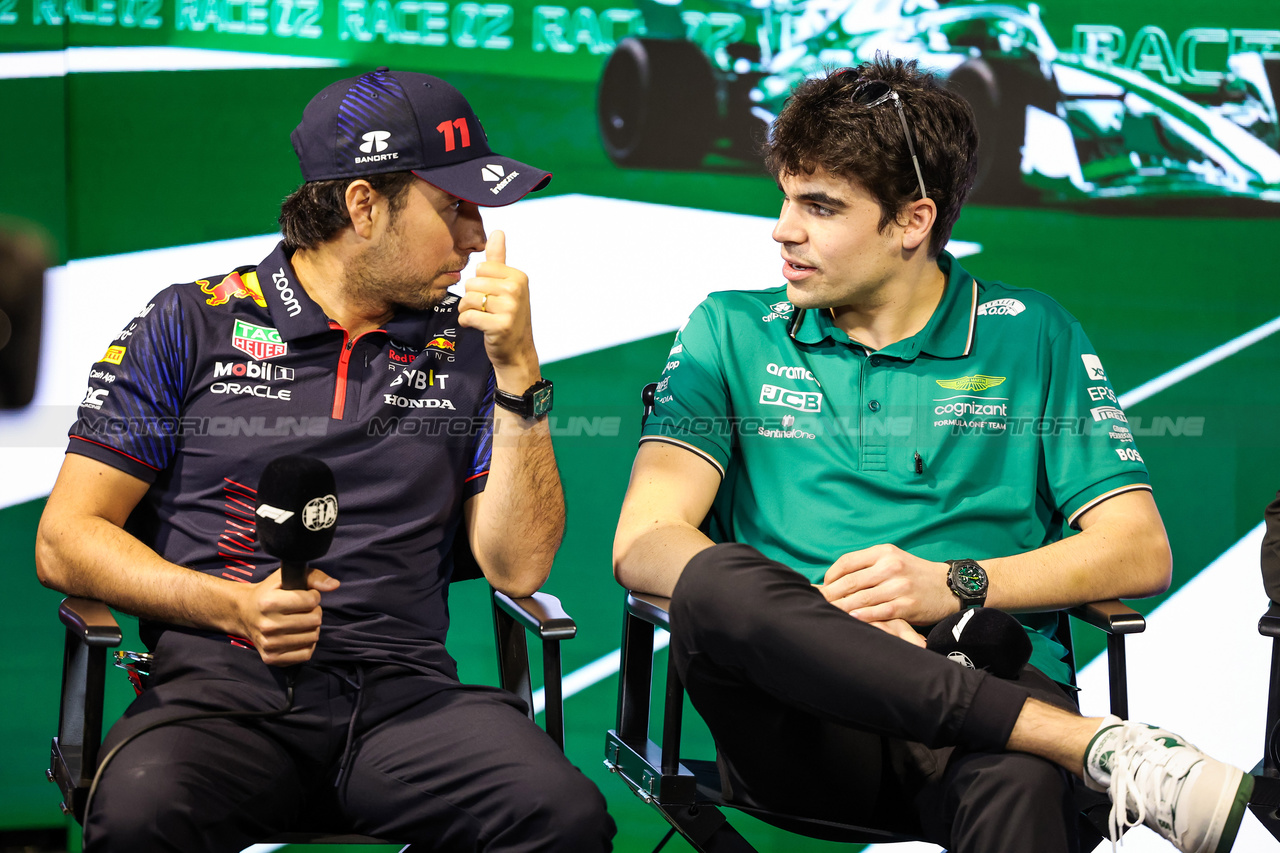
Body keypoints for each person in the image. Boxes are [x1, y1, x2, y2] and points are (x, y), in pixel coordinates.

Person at [612, 57, 1252, 853]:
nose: (783, 228)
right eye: (785, 197)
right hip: (799, 719)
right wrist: (825, 619)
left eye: (820, 206)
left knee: (1021, 792)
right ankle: (1085, 744)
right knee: (711, 576)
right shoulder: (728, 328)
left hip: (978, 684)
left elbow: (1137, 548)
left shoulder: (1034, 332)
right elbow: (644, 541)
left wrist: (951, 584)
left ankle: (1050, 742)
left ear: (912, 221)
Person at [36, 68, 614, 852]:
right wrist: (231, 606)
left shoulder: (474, 349)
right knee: (141, 813)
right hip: (217, 698)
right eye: (455, 208)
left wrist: (520, 373)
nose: (477, 238)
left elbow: (518, 568)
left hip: (406, 703)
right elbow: (65, 538)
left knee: (564, 816)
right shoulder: (190, 322)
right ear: (363, 205)